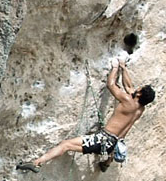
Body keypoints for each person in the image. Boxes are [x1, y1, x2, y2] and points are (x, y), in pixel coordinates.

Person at [17, 60, 155, 172]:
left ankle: (36, 163)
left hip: (102, 139)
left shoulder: (127, 100)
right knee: (100, 147)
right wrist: (123, 68)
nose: (137, 88)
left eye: (140, 89)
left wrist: (114, 68)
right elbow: (130, 87)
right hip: (114, 143)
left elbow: (111, 85)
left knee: (66, 145)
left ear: (139, 94)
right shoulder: (140, 109)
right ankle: (106, 163)